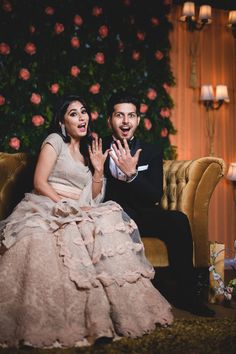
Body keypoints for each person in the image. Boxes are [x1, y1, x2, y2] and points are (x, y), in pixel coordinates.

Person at [0, 95, 173, 349]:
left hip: (79, 209)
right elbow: (39, 182)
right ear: (62, 121)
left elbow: (93, 197)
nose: (81, 117)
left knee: (105, 221)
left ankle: (104, 318)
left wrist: (99, 170)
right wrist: (64, 204)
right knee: (41, 238)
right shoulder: (54, 141)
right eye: (73, 113)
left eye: (83, 112)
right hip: (48, 204)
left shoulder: (89, 151)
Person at [103, 91, 215, 317]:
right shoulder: (96, 147)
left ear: (137, 120)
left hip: (141, 214)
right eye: (119, 115)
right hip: (109, 215)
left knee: (177, 220)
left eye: (131, 116)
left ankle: (187, 294)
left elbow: (154, 194)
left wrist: (132, 175)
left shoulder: (151, 151)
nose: (126, 121)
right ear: (110, 120)